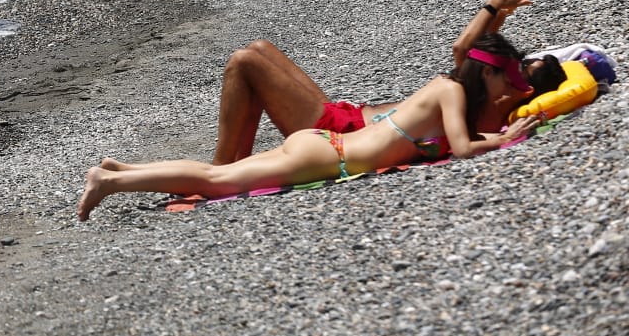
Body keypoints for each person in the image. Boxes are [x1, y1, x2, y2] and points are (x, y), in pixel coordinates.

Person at [78, 33, 543, 219]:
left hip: (322, 143)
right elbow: (461, 149)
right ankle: (110, 182)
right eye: (506, 77)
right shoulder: (452, 92)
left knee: (215, 175)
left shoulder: (446, 94)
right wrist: (507, 138)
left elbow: (458, 139)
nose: (508, 88)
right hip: (326, 154)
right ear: (489, 71)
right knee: (216, 180)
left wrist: (500, 133)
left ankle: (126, 169)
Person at [209, 0, 561, 164]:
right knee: (258, 49)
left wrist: (491, 5)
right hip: (347, 115)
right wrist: (498, 17)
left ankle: (221, 168)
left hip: (342, 131)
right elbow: (478, 60)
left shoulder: (490, 109)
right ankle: (234, 164)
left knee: (244, 62)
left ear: (525, 88)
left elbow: (463, 51)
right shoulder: (489, 93)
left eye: (520, 69)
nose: (508, 70)